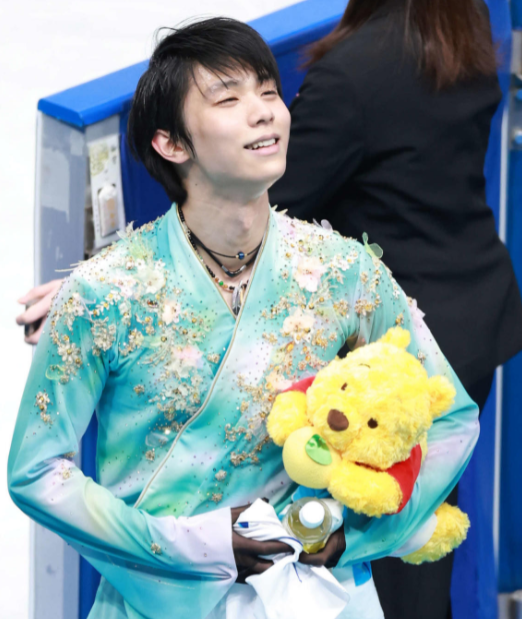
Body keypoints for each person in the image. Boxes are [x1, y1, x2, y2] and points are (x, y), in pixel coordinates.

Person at [9, 17, 479, 619]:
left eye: (269, 92)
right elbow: (36, 470)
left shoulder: (343, 270)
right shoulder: (105, 293)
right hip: (164, 603)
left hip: (318, 596)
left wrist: (357, 534)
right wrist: (195, 546)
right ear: (171, 143)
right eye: (228, 99)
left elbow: (450, 417)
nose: (263, 113)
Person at [268, 1, 522, 618]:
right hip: (468, 318)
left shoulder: (352, 75)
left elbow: (271, 209)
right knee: (419, 534)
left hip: (398, 356)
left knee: (382, 552)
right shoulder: (457, 35)